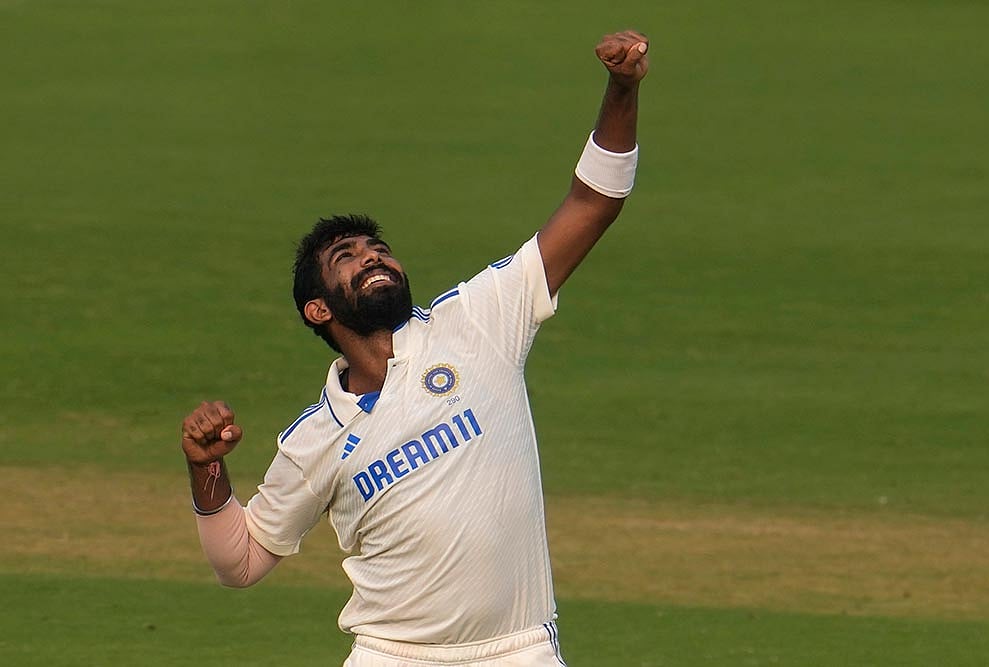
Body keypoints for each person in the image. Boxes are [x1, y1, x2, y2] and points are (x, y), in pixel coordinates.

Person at [180, 29, 648, 667]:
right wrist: (205, 469)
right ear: (318, 309)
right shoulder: (314, 441)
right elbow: (241, 561)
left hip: (518, 650)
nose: (372, 258)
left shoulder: (479, 321)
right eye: (346, 258)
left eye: (378, 249)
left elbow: (593, 203)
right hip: (392, 655)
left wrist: (622, 89)